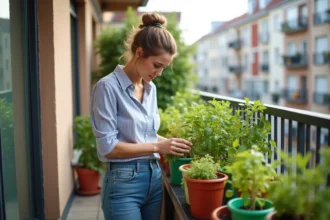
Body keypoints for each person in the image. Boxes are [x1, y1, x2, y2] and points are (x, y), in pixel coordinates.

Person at [90, 12, 192, 220]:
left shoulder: (151, 88)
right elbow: (108, 147)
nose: (159, 73)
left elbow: (146, 135)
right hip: (123, 183)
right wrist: (158, 146)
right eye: (157, 65)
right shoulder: (107, 87)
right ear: (139, 52)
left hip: (154, 179)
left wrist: (171, 143)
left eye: (164, 67)